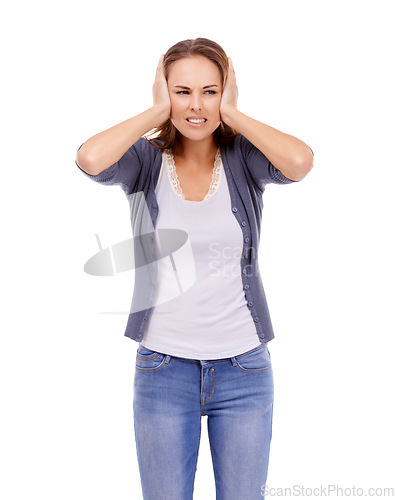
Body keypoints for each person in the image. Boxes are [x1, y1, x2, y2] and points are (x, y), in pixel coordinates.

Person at [75, 37, 314, 500]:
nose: (196, 105)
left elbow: (300, 162)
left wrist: (235, 114)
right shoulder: (145, 162)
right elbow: (89, 159)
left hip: (244, 369)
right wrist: (155, 112)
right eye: (182, 91)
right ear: (164, 91)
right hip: (163, 369)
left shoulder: (244, 159)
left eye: (210, 90)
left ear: (227, 91)